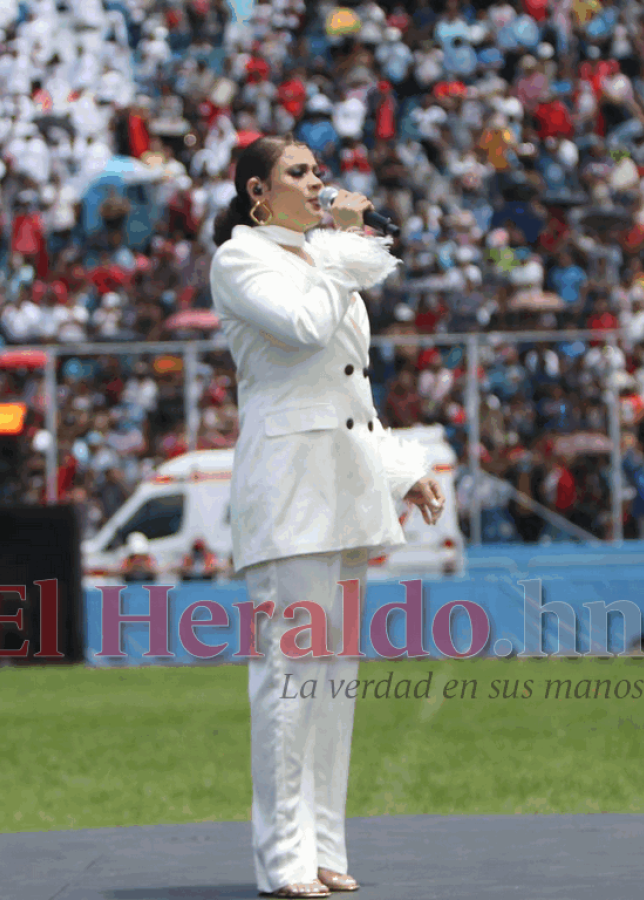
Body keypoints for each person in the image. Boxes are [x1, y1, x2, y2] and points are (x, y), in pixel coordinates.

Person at [208, 135, 444, 899]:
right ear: (257, 191)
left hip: (341, 486)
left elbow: (348, 390)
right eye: (300, 173)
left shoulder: (321, 261)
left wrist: (402, 471)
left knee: (333, 683)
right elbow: (304, 331)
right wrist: (344, 239)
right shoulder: (241, 260)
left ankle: (324, 849)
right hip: (287, 491)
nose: (320, 183)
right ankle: (283, 861)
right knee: (290, 678)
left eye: (319, 171)